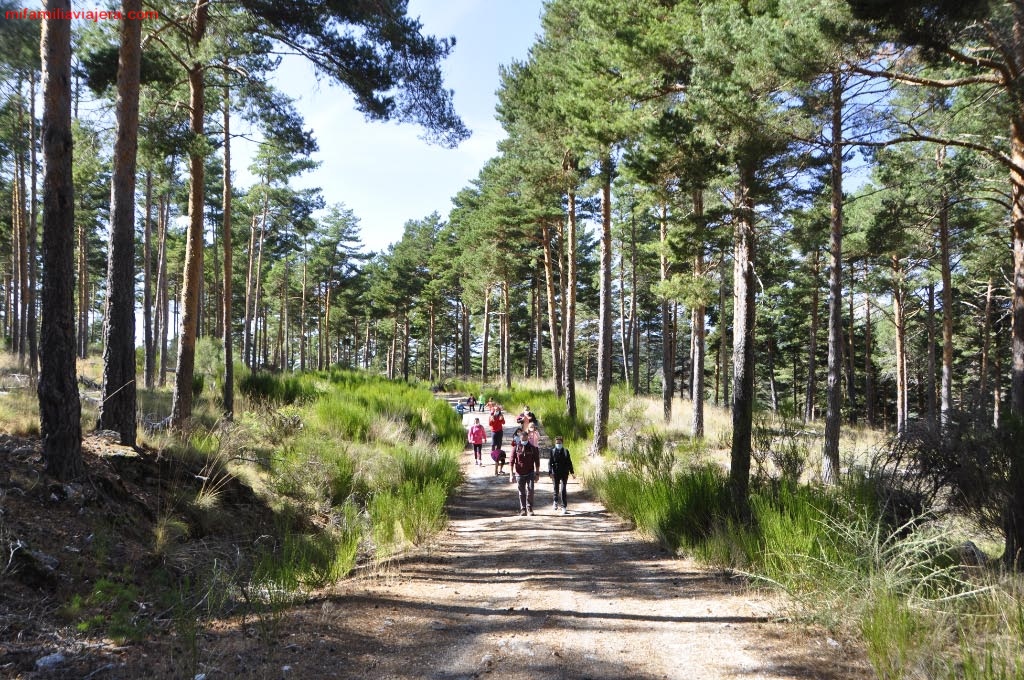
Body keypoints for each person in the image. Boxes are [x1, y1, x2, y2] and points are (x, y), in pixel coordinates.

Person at [510, 438, 541, 516]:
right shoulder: (516, 448)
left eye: (525, 439)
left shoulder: (532, 448)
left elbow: (537, 461)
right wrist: (511, 474)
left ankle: (529, 507)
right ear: (520, 439)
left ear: (527, 438)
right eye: (522, 439)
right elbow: (511, 461)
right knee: (521, 492)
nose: (523, 440)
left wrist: (537, 474)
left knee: (531, 490)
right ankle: (523, 509)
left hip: (530, 472)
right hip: (519, 473)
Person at [548, 436, 576, 513]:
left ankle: (564, 506)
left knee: (563, 490)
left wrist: (572, 472)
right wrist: (550, 472)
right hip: (555, 473)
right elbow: (550, 463)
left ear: (562, 443)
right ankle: (555, 502)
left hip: (564, 473)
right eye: (557, 443)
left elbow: (569, 462)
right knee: (556, 488)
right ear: (555, 443)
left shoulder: (566, 451)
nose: (558, 444)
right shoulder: (552, 451)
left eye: (560, 443)